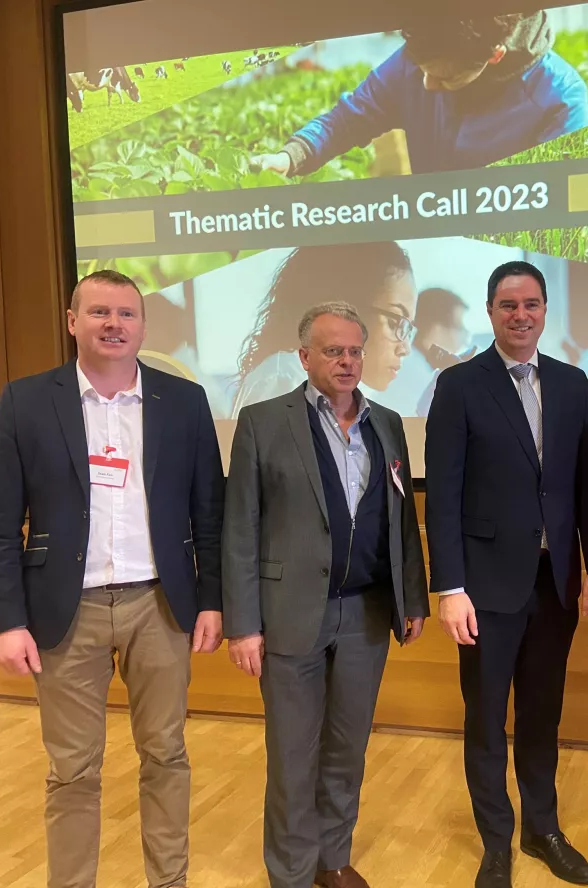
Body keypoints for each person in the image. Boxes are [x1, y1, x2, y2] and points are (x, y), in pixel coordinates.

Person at [0, 269, 225, 888]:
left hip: (160, 606)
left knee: (166, 754)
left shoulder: (185, 401)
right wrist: (7, 621)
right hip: (65, 610)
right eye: (98, 313)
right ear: (72, 321)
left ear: (143, 326)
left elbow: (210, 515)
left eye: (126, 314)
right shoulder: (25, 401)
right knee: (72, 771)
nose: (114, 324)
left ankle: (169, 881)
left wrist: (213, 602)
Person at [222, 302, 429, 888]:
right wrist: (243, 624)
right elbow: (240, 527)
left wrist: (412, 598)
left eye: (355, 350)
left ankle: (332, 859)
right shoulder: (263, 422)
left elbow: (401, 521)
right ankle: (288, 873)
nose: (346, 361)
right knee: (292, 756)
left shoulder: (386, 423)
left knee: (347, 748)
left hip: (365, 613)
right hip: (288, 617)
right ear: (304, 356)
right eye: (333, 350)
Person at [425, 261, 588, 888]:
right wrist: (449, 588)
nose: (519, 315)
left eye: (530, 304)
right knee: (485, 720)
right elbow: (441, 495)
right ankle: (495, 840)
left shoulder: (574, 384)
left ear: (546, 310)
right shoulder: (459, 384)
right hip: (484, 589)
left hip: (554, 584)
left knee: (541, 716)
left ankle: (542, 829)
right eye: (507, 305)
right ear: (491, 311)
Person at [252, 12, 588, 177]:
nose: (426, 85)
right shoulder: (414, 61)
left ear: (494, 55)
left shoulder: (559, 99)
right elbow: (347, 119)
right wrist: (290, 157)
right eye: (422, 69)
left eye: (445, 77)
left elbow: (560, 212)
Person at [233, 243, 417, 417]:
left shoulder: (368, 405)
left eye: (408, 328)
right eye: (395, 322)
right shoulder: (283, 379)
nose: (405, 348)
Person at [382, 286, 472, 414]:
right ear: (436, 330)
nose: (465, 337)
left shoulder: (411, 368)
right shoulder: (418, 379)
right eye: (459, 326)